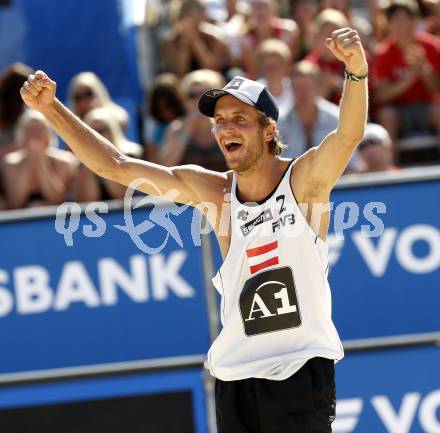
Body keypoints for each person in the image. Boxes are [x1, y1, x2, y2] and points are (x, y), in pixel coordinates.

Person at [21, 26, 368, 433]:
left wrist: (357, 71)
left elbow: (348, 135)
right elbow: (114, 166)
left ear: (269, 130)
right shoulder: (214, 191)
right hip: (236, 377)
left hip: (300, 371)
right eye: (219, 121)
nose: (225, 130)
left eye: (239, 119)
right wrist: (51, 109)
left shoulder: (303, 181)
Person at [373, 0, 440, 155]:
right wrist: (409, 79)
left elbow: (437, 89)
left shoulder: (433, 46)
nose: (400, 24)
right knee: (386, 114)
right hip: (399, 111)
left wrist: (423, 69)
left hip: (428, 107)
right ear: (388, 24)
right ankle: (390, 169)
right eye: (395, 19)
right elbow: (381, 96)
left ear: (415, 20)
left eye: (404, 18)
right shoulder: (383, 52)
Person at [1, 110, 78, 209]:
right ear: (22, 134)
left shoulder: (64, 161)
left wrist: (41, 163)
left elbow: (56, 198)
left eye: (39, 129)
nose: (35, 135)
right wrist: (29, 162)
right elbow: (15, 202)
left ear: (49, 133)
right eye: (30, 130)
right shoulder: (10, 163)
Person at [74, 107, 143, 202]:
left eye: (101, 130)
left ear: (113, 131)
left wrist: (105, 157)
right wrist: (89, 161)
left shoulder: (130, 156)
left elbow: (122, 195)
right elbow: (87, 200)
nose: (96, 136)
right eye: (91, 132)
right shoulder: (82, 164)